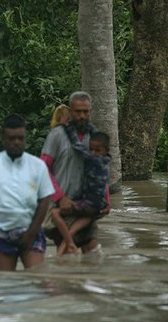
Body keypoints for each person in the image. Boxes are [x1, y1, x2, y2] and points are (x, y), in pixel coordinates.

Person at [0, 114, 55, 271]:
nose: (16, 142)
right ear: (3, 138)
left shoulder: (38, 166)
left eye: (20, 138)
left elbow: (45, 200)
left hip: (32, 232)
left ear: (25, 138)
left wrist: (31, 233)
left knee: (36, 282)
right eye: (11, 138)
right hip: (2, 234)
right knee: (6, 283)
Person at [40, 91, 109, 254]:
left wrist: (106, 199)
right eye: (78, 112)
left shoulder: (94, 136)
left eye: (86, 111)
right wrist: (60, 197)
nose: (82, 116)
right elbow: (43, 168)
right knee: (67, 256)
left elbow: (101, 168)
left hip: (85, 203)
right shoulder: (57, 135)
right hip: (61, 204)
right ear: (71, 112)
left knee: (93, 253)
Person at [50, 131, 111, 255]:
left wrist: (69, 131)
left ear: (106, 150)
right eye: (91, 149)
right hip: (97, 204)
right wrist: (107, 203)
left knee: (56, 214)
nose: (93, 153)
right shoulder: (105, 162)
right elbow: (105, 186)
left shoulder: (96, 162)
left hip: (90, 204)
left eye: (97, 150)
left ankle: (65, 248)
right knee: (74, 230)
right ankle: (64, 250)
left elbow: (78, 146)